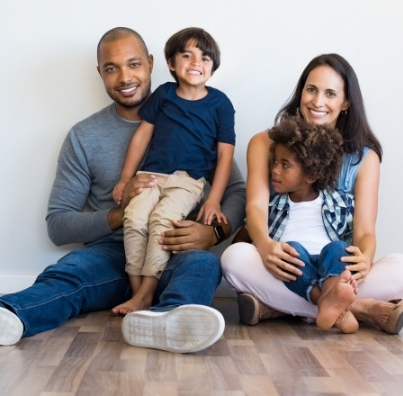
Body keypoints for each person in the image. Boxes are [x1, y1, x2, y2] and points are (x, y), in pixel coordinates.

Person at [0, 27, 246, 353]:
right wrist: (122, 213)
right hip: (111, 254)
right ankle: (12, 314)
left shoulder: (197, 115)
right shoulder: (84, 136)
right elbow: (58, 226)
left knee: (203, 265)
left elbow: (236, 190)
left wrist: (211, 233)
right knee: (69, 273)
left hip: (175, 247)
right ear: (100, 73)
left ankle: (167, 319)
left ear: (152, 63)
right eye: (111, 68)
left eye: (133, 64)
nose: (124, 77)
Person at [222, 53, 403, 334]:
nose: (317, 102)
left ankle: (278, 307)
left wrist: (365, 259)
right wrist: (265, 247)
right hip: (285, 263)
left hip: (337, 268)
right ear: (301, 91)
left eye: (330, 93)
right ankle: (363, 309)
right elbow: (255, 207)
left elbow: (365, 231)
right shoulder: (265, 143)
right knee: (235, 258)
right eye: (311, 89)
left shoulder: (365, 158)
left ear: (346, 102)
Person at [111, 27, 235, 315]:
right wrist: (126, 178)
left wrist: (214, 199)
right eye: (187, 56)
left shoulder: (220, 104)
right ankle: (137, 292)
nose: (196, 63)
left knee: (161, 220)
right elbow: (142, 136)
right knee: (135, 217)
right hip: (151, 175)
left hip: (187, 181)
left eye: (205, 58)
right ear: (170, 64)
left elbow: (225, 156)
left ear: (213, 68)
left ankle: (146, 294)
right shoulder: (164, 94)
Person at [266, 116, 359, 333]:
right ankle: (332, 306)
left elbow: (355, 238)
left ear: (311, 174)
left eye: (285, 165)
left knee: (337, 248)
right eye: (275, 162)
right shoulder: (272, 206)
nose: (275, 170)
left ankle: (331, 293)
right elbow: (251, 236)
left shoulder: (339, 202)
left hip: (329, 266)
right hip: (297, 267)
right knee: (293, 250)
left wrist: (360, 261)